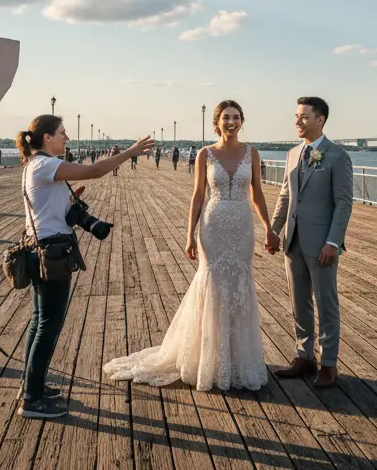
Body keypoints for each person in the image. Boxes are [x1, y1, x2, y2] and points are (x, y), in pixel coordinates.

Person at [105, 100, 277, 391]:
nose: (231, 122)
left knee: (239, 283)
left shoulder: (252, 153)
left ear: (242, 121)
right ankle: (207, 357)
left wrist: (269, 229)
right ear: (217, 122)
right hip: (214, 225)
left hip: (242, 226)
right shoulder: (205, 154)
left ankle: (236, 358)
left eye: (236, 117)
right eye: (226, 117)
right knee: (212, 284)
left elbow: (257, 193)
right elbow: (198, 195)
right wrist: (189, 235)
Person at [16, 115, 155, 419]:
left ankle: (32, 385)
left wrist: (70, 204)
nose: (67, 138)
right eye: (62, 133)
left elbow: (51, 211)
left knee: (40, 321)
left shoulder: (37, 165)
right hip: (51, 253)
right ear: (47, 138)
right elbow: (93, 170)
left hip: (40, 249)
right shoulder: (44, 165)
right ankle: (32, 400)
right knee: (47, 327)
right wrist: (130, 152)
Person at [270, 97, 353, 388]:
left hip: (322, 245)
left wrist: (333, 242)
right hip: (292, 240)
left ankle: (328, 363)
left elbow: (343, 204)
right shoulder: (292, 154)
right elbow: (285, 196)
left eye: (304, 117)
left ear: (320, 120)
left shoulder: (337, 156)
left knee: (326, 303)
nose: (297, 121)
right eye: (296, 116)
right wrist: (273, 230)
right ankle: (304, 357)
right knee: (299, 303)